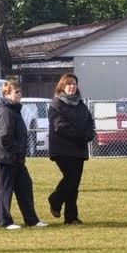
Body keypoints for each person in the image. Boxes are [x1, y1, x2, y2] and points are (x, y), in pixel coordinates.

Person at [0, 79, 46, 230]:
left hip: (16, 157)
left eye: (20, 91)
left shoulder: (14, 109)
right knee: (5, 189)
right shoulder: (5, 110)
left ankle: (32, 220)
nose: (20, 94)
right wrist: (16, 151)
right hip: (6, 157)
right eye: (16, 92)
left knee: (25, 186)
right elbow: (5, 137)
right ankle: (5, 221)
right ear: (7, 93)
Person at [45, 73, 96, 225]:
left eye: (74, 84)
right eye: (69, 84)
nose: (72, 87)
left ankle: (71, 217)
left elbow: (89, 122)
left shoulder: (81, 104)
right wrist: (80, 135)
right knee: (71, 179)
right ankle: (55, 199)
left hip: (79, 149)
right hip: (62, 149)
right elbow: (59, 126)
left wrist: (89, 134)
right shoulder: (56, 104)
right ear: (62, 86)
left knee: (74, 183)